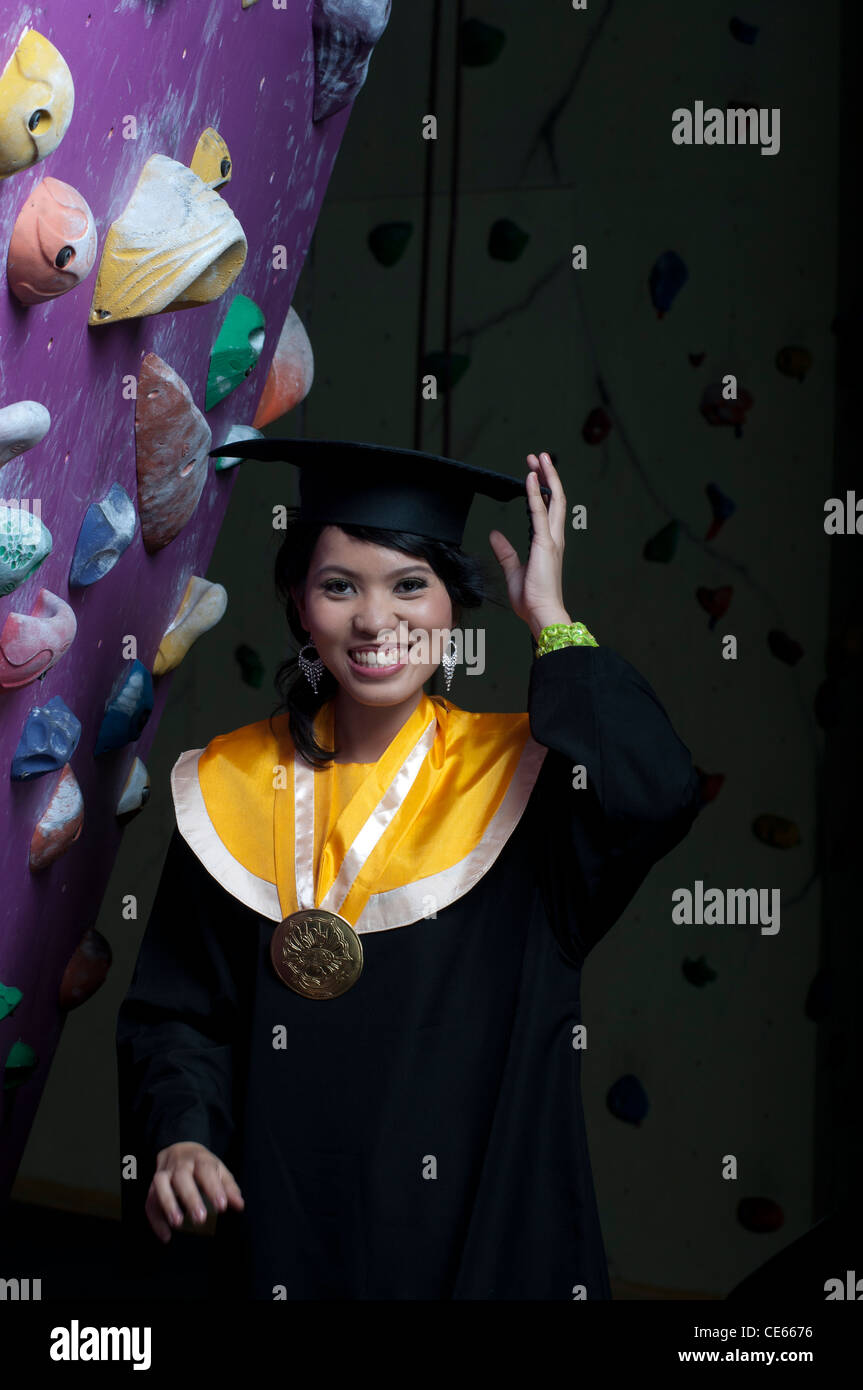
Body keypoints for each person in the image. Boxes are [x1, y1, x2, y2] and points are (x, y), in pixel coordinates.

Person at [116, 440, 702, 1300]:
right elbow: (178, 1011)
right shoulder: (230, 787)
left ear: (453, 606)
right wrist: (182, 1134)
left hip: (476, 1244)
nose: (374, 619)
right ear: (298, 602)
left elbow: (656, 791)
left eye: (409, 585)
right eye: (339, 585)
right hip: (278, 1235)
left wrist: (550, 618)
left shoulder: (527, 781)